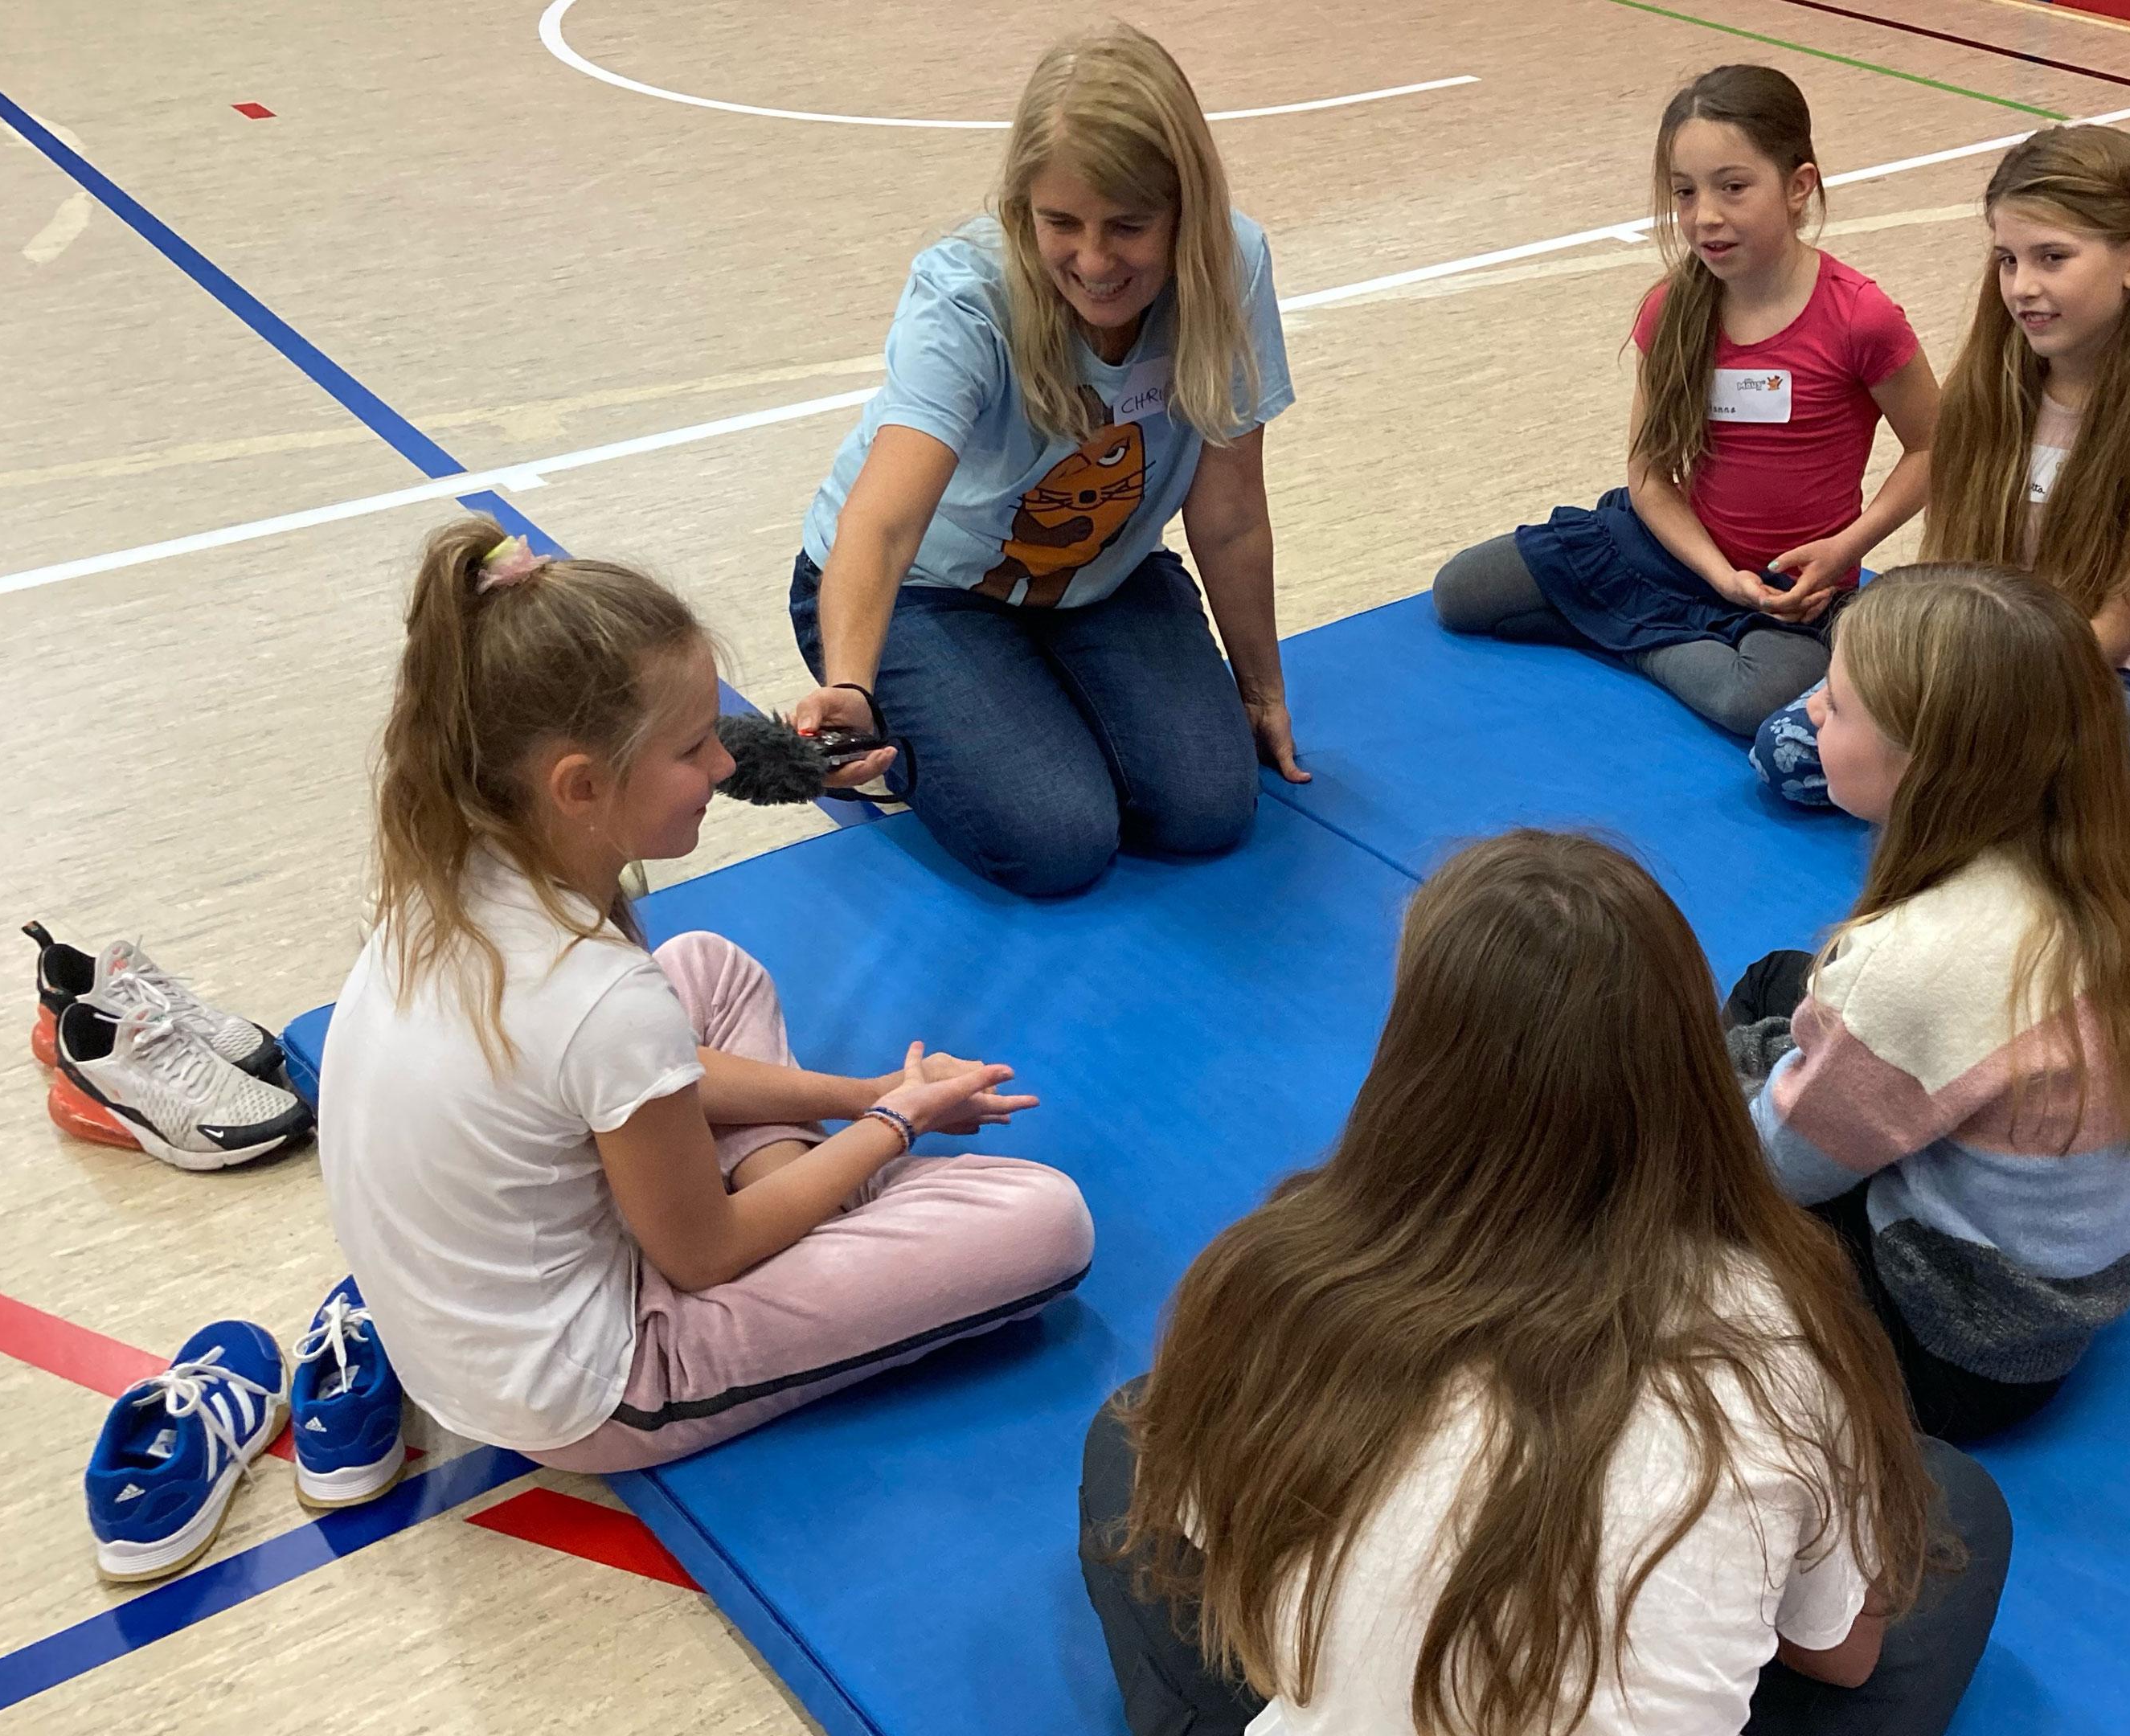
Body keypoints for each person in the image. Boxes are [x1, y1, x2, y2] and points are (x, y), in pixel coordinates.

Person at [1079, 831, 2010, 1735]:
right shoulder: (1785, 1322)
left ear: (1413, 1061)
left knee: (1142, 1437)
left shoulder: (1269, 1279)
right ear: (1688, 1063)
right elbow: (1840, 1656)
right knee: (1954, 1513)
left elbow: (1225, 1550)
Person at [322, 518, 1096, 1473]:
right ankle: (810, 1202)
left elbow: (656, 1064)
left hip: (468, 1329)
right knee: (1044, 1220)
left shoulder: (445, 861)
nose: (724, 768)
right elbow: (705, 1256)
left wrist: (856, 1096)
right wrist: (895, 1124)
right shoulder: (593, 998)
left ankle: (793, 1185)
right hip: (594, 1386)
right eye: (695, 749)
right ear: (580, 786)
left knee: (708, 967)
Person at [789, 23, 1305, 898]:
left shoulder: (1233, 266)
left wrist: (1262, 691)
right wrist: (853, 685)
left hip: (1095, 577)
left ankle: (1024, 702)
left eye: (1130, 228)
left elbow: (1228, 514)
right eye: (1060, 223)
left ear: (1187, 211)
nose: (1095, 262)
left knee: (1211, 807)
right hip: (928, 589)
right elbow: (883, 524)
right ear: (1021, 207)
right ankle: (919, 734)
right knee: (1058, 838)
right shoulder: (966, 295)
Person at [1724, 567, 2130, 1440]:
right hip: (2067, 1294)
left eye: (1838, 706)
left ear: (1924, 764)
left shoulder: (1921, 958)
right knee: (1783, 979)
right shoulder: (2126, 873)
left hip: (1951, 1354)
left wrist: (1700, 1105)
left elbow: (1783, 1170)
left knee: (1671, 1150)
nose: (1811, 712)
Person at [1432, 64, 1939, 740]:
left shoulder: (1860, 318)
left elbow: (1937, 447)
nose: (1706, 217)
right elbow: (1648, 476)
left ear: (1798, 187)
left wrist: (1847, 547)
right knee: (1461, 592)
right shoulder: (1671, 309)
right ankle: (1647, 628)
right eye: (1685, 192)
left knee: (1750, 703)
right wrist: (1715, 572)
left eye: (1733, 188)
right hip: (1673, 549)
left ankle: (1630, 634)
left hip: (1787, 591)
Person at [1754, 125, 2130, 805]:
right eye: (2008, 259)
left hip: (2095, 671)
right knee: (1790, 752)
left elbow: (2115, 628)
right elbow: (1954, 559)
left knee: (2018, 795)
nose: (2022, 287)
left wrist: (1960, 694)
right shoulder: (1996, 385)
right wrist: (1898, 670)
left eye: (2052, 258)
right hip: (1974, 649)